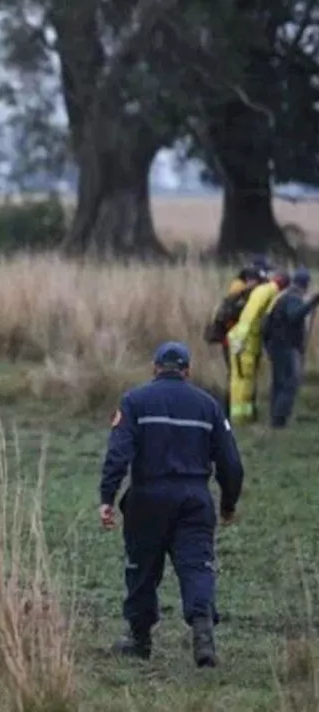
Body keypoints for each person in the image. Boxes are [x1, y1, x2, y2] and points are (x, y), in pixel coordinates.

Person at [99, 341, 244, 669]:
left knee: (142, 569)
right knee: (196, 566)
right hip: (194, 500)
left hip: (147, 499)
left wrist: (107, 498)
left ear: (154, 368)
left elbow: (118, 454)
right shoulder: (208, 406)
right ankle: (203, 632)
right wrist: (229, 504)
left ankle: (139, 639)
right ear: (188, 371)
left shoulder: (134, 401)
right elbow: (231, 463)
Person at [226, 268, 290, 424]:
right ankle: (240, 417)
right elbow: (249, 315)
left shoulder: (267, 291)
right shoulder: (267, 291)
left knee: (244, 379)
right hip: (244, 343)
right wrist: (240, 340)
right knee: (242, 380)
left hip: (248, 342)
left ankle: (245, 416)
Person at [263, 268, 319, 427]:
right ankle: (279, 419)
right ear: (306, 284)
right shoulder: (293, 298)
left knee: (279, 382)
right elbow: (294, 316)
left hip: (276, 345)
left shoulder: (284, 296)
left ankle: (275, 418)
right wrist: (312, 302)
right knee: (290, 382)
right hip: (285, 346)